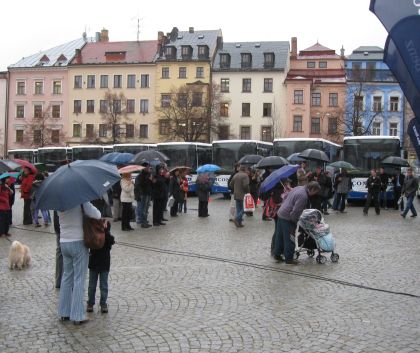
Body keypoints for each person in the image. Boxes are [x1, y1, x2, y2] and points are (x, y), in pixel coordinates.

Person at [58, 201, 101, 325]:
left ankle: (64, 312)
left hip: (64, 242)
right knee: (79, 278)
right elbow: (97, 214)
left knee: (67, 277)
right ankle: (77, 315)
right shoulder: (80, 201)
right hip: (78, 242)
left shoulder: (59, 203)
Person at [273, 181, 321, 265]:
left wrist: (284, 207)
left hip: (281, 213)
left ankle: (277, 255)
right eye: (315, 192)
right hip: (288, 218)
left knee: (279, 236)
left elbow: (285, 197)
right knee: (290, 238)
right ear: (312, 189)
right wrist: (294, 221)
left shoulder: (298, 187)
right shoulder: (303, 196)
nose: (315, 194)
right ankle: (289, 259)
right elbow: (296, 211)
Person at [87, 220, 115, 314]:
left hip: (103, 264)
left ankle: (103, 303)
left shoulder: (108, 237)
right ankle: (90, 303)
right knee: (92, 286)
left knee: (103, 285)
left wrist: (105, 231)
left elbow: (111, 241)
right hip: (94, 264)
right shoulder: (93, 236)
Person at [135, 162, 153, 228]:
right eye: (147, 167)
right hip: (143, 194)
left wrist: (151, 180)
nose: (148, 168)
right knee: (143, 208)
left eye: (149, 166)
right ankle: (143, 222)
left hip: (148, 193)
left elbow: (150, 184)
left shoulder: (149, 174)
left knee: (146, 208)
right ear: (144, 167)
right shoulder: (140, 175)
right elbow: (139, 185)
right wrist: (148, 179)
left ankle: (145, 221)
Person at [53, 210, 63, 289]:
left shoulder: (57, 198)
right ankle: (59, 280)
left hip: (59, 228)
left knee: (59, 253)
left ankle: (59, 280)